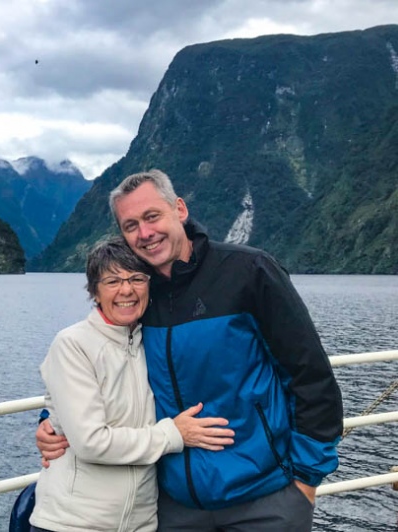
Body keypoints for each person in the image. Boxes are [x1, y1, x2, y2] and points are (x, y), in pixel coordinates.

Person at [37, 170, 344, 531]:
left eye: (152, 216)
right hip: (174, 506)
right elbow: (99, 366)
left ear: (179, 209)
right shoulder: (138, 297)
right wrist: (50, 421)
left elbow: (310, 376)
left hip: (265, 499)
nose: (145, 233)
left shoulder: (249, 272)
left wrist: (306, 480)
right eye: (131, 225)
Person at [29, 236, 235, 532]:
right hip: (74, 523)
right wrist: (173, 434)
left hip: (140, 522)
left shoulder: (152, 340)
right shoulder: (74, 345)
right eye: (112, 281)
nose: (126, 290)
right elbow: (90, 442)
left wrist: (48, 417)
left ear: (150, 286)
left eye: (137, 278)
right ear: (94, 292)